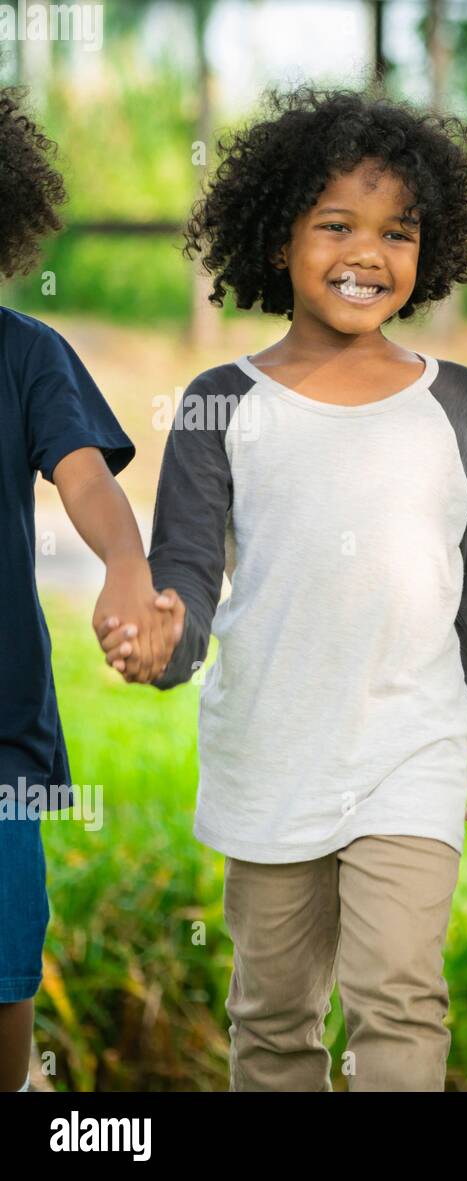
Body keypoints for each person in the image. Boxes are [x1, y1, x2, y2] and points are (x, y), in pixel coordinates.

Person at [99, 88, 467, 1091]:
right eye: (335, 225)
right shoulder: (222, 403)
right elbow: (185, 578)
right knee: (272, 1017)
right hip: (273, 753)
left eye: (398, 231)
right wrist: (162, 639)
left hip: (411, 750)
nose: (368, 252)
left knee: (397, 997)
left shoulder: (456, 398)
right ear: (276, 239)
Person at [0, 87, 181, 1094]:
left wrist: (124, 563)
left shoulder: (28, 354)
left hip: (0, 726)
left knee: (3, 972)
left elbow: (83, 473)